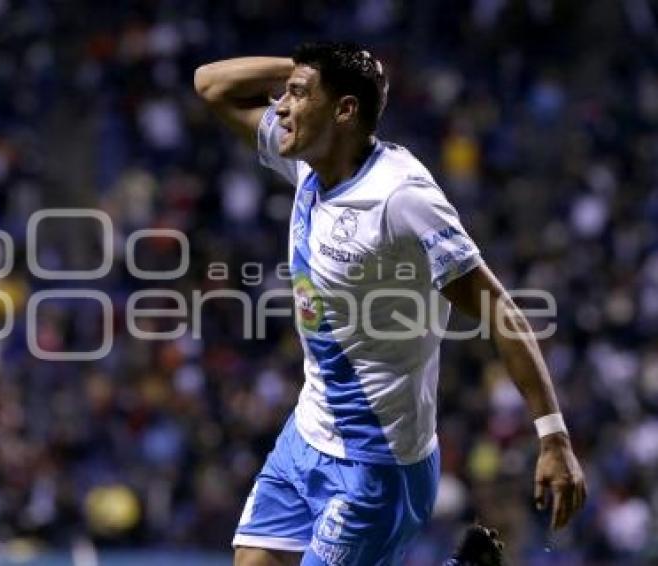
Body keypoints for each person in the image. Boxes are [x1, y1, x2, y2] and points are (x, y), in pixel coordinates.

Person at [194, 41, 586, 566]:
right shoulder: (309, 161)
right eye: (283, 95)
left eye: (296, 95)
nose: (280, 108)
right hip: (307, 430)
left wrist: (553, 436)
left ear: (345, 110)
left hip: (377, 463)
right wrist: (305, 73)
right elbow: (210, 85)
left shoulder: (401, 198)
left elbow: (499, 310)